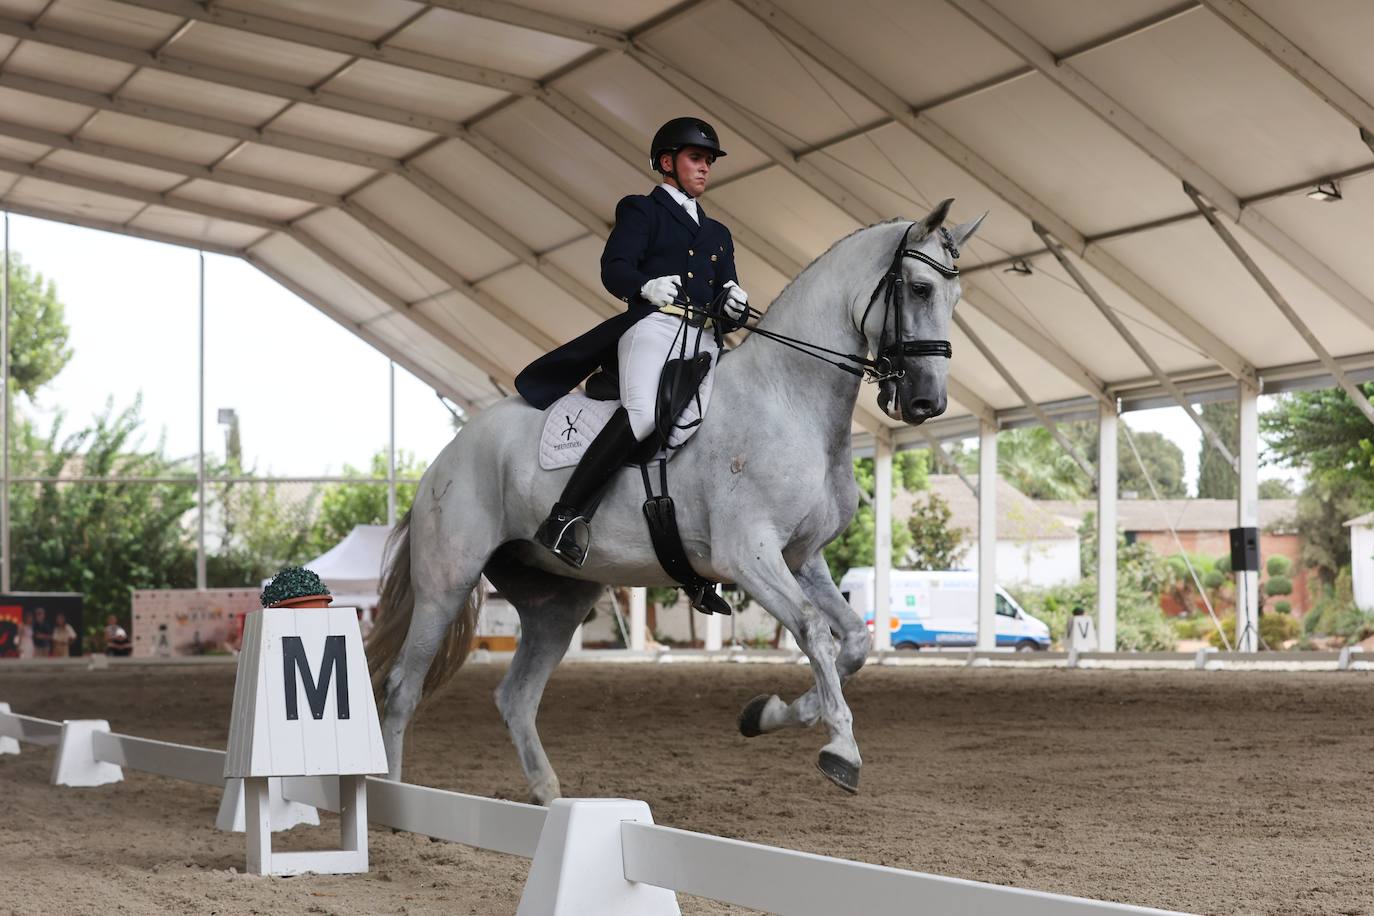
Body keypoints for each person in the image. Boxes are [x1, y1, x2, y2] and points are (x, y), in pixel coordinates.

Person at [515, 117, 751, 567]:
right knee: (643, 414)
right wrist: (645, 287)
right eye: (696, 159)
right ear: (667, 162)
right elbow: (614, 268)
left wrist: (734, 302)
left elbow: (726, 288)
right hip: (654, 327)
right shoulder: (641, 211)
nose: (705, 169)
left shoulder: (718, 233)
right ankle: (565, 517)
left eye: (708, 162)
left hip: (702, 338)